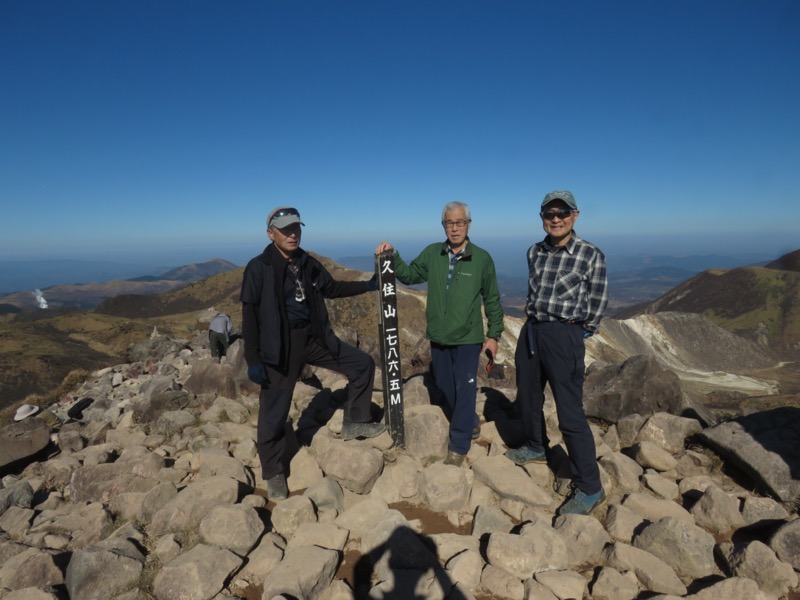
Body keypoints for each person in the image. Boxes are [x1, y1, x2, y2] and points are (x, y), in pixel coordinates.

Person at [241, 206, 385, 501]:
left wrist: (369, 286)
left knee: (362, 364)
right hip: (278, 347)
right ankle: (273, 472)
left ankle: (355, 420)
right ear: (271, 234)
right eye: (285, 230)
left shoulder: (307, 262)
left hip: (313, 338)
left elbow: (332, 288)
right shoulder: (258, 267)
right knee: (274, 411)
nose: (293, 234)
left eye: (296, 228)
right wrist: (253, 359)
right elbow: (249, 315)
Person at [376, 201, 504, 467]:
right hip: (439, 336)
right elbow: (410, 275)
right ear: (443, 225)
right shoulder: (433, 253)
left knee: (465, 387)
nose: (454, 228)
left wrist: (493, 335)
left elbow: (492, 298)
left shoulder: (482, 258)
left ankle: (458, 445)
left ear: (469, 225)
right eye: (449, 223)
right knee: (445, 385)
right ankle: (469, 420)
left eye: (459, 222)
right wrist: (393, 255)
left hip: (468, 337)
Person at [505, 190, 609, 515]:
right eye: (549, 214)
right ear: (542, 218)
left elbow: (597, 303)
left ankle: (590, 486)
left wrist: (574, 333)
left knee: (569, 412)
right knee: (529, 395)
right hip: (533, 329)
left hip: (564, 334)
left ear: (575, 215)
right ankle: (536, 447)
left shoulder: (590, 255)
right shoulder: (534, 252)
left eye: (562, 213)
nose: (556, 219)